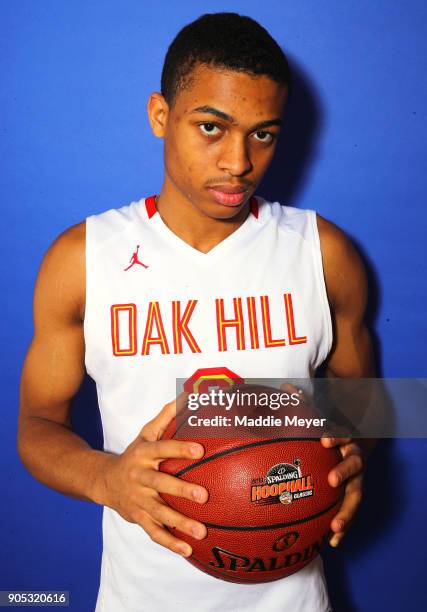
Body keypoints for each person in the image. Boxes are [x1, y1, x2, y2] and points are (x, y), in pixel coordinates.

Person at [17, 12, 376, 612]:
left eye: (263, 134)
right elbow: (35, 427)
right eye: (212, 127)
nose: (238, 162)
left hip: (294, 596)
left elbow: (361, 401)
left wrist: (353, 452)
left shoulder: (325, 254)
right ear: (160, 115)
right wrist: (106, 479)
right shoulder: (83, 259)